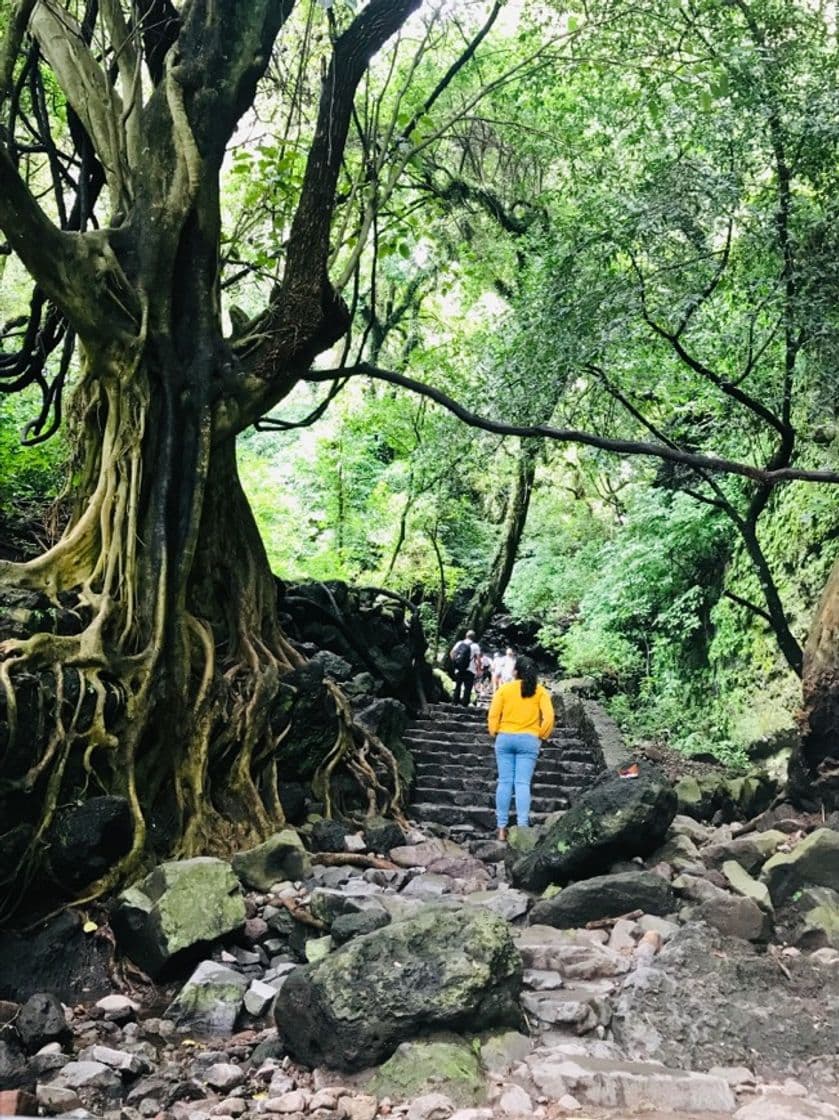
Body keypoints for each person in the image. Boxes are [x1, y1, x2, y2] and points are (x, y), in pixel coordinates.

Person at [487, 655, 554, 841]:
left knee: (504, 782)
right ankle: (522, 827)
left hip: (505, 738)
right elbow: (549, 717)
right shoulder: (540, 691)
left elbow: (493, 713)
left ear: (515, 671)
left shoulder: (505, 689)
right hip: (529, 740)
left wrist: (494, 731)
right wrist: (541, 734)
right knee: (522, 784)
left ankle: (501, 828)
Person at [449, 629, 481, 707]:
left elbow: (452, 653)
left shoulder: (460, 643)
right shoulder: (475, 646)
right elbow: (478, 659)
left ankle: (454, 702)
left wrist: (455, 663)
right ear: (474, 638)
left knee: (458, 685)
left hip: (459, 668)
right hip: (470, 669)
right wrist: (479, 669)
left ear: (466, 636)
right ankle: (464, 704)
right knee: (468, 687)